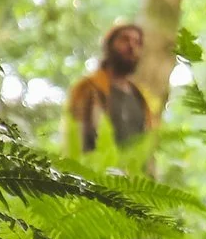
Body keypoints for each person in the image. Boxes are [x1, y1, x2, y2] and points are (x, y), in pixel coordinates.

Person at [66, 22, 155, 153]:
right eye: (125, 39)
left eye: (137, 42)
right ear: (109, 45)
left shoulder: (141, 98)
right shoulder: (88, 87)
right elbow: (75, 138)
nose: (131, 46)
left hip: (132, 172)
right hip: (95, 169)